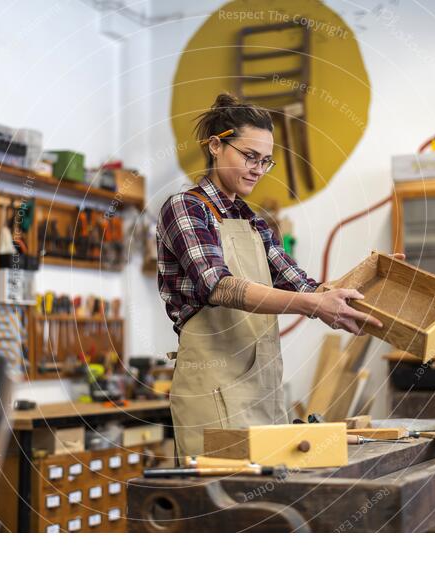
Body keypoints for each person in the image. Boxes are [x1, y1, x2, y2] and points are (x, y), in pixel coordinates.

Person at [156, 93, 401, 459]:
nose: (257, 168)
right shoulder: (185, 208)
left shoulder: (254, 222)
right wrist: (314, 305)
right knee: (220, 505)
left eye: (266, 161)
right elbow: (218, 286)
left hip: (263, 390)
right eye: (249, 156)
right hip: (211, 390)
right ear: (216, 146)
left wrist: (371, 282)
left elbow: (303, 285)